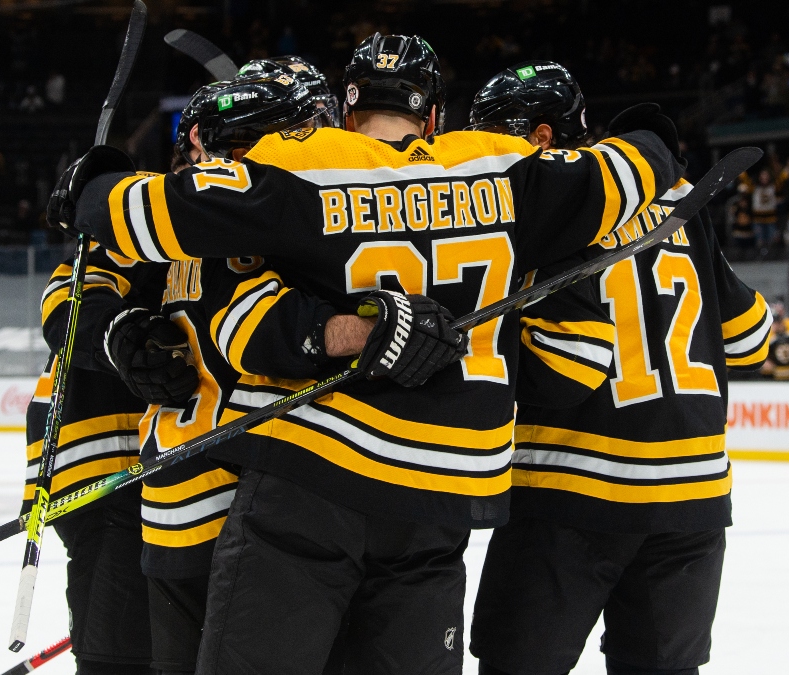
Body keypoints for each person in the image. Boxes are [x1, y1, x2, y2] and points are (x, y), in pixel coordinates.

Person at [49, 33, 682, 675]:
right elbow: (630, 175)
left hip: (308, 475)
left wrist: (91, 184)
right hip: (441, 495)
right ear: (435, 115)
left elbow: (150, 223)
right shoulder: (503, 166)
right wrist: (650, 132)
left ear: (345, 113)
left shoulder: (305, 162)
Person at [462, 61, 771, 675]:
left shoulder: (548, 210)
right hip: (695, 497)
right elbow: (752, 336)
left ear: (542, 138)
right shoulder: (682, 201)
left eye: (498, 138)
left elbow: (570, 370)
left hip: (574, 492)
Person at [132, 72, 357, 675]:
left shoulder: (172, 218)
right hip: (250, 502)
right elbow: (265, 333)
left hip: (172, 487)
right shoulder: (266, 228)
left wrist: (118, 331)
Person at [22, 246, 168, 675]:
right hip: (112, 463)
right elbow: (68, 302)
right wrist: (123, 339)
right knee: (120, 654)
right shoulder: (137, 229)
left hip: (124, 462)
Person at [764, 313, 789, 380]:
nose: (777, 326)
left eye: (778, 323)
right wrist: (765, 362)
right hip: (776, 376)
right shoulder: (768, 340)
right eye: (774, 323)